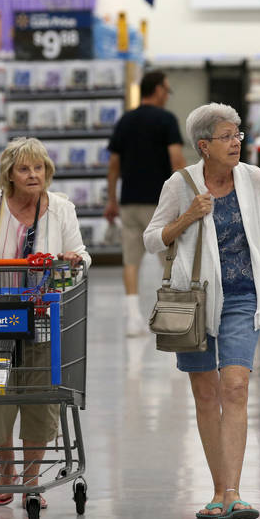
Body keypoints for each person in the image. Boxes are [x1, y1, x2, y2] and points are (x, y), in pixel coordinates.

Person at [143, 103, 260, 519]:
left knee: (234, 387)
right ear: (204, 145)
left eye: (238, 135)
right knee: (205, 393)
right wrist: (187, 218)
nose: (236, 143)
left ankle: (233, 492)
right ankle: (217, 491)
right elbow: (151, 240)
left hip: (243, 297)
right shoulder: (179, 185)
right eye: (227, 136)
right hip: (194, 301)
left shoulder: (254, 179)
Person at [0, 137, 91, 512]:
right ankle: (7, 466)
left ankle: (31, 479)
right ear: (9, 173)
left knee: (40, 398)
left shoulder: (61, 209)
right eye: (24, 168)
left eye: (39, 168)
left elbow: (83, 254)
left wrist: (74, 258)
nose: (33, 175)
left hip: (43, 318)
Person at [105, 70, 187, 337]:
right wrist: (186, 197)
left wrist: (111, 200)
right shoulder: (166, 120)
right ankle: (173, 315)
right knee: (171, 259)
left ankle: (132, 319)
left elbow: (114, 165)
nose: (168, 94)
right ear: (159, 90)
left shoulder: (125, 121)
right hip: (160, 204)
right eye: (167, 89)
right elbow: (176, 161)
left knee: (131, 260)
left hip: (130, 201)